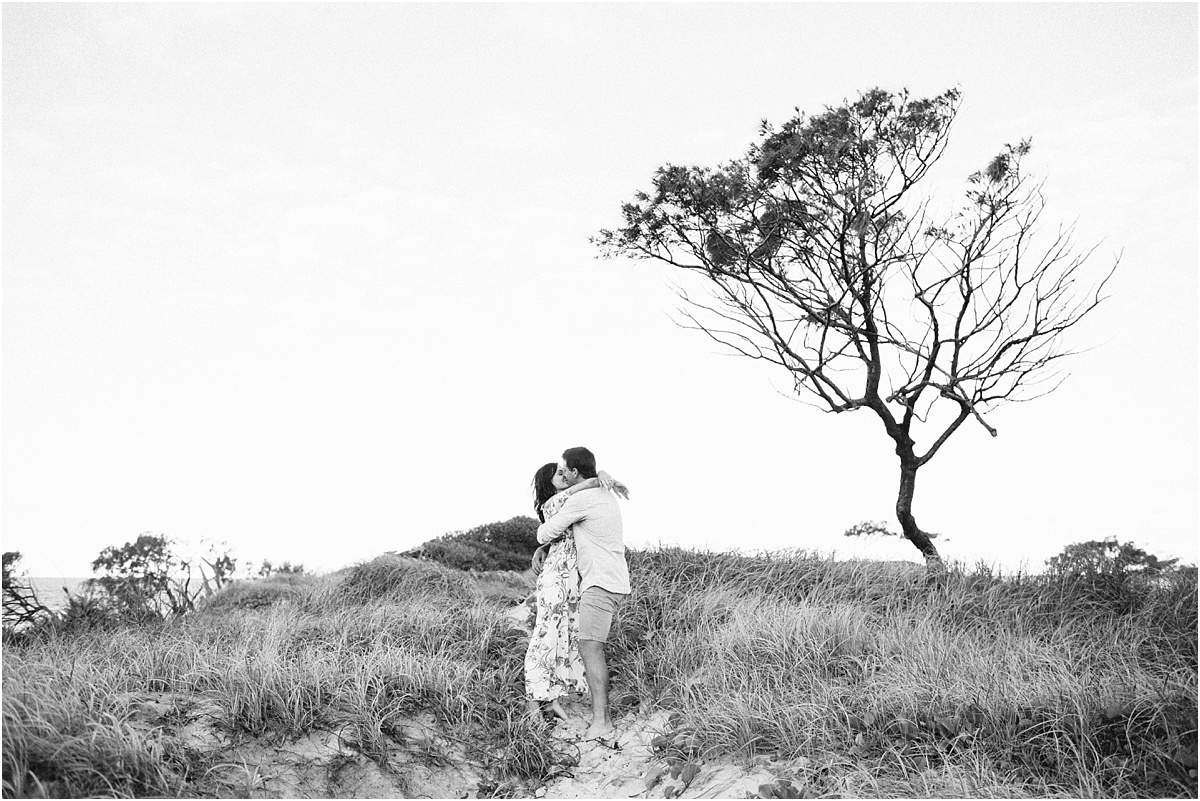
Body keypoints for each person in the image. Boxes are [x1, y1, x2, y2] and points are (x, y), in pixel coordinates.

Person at [533, 446, 630, 742]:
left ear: (575, 472)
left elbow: (545, 532)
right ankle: (600, 717)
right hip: (608, 580)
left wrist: (541, 542)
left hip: (600, 583)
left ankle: (602, 721)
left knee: (590, 647)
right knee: (590, 645)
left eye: (565, 469)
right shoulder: (601, 494)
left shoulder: (584, 498)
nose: (562, 474)